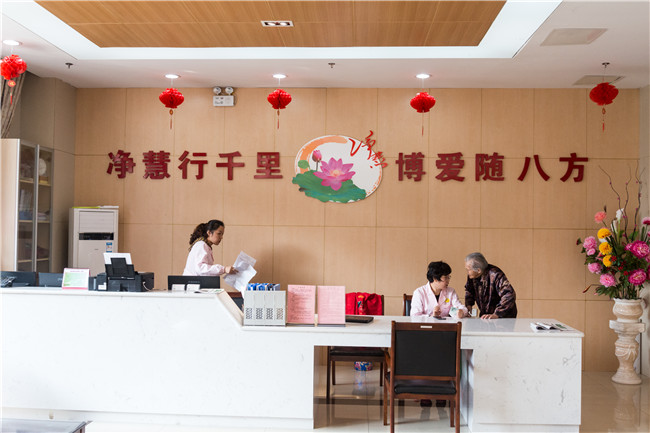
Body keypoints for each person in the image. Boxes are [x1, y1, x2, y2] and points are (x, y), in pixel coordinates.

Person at [464, 252, 517, 319]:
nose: (467, 272)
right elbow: (469, 290)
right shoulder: (472, 275)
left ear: (478, 270)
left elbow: (509, 295)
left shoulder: (495, 274)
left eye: (468, 270)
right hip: (486, 315)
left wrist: (497, 314)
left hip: (504, 316)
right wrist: (468, 305)